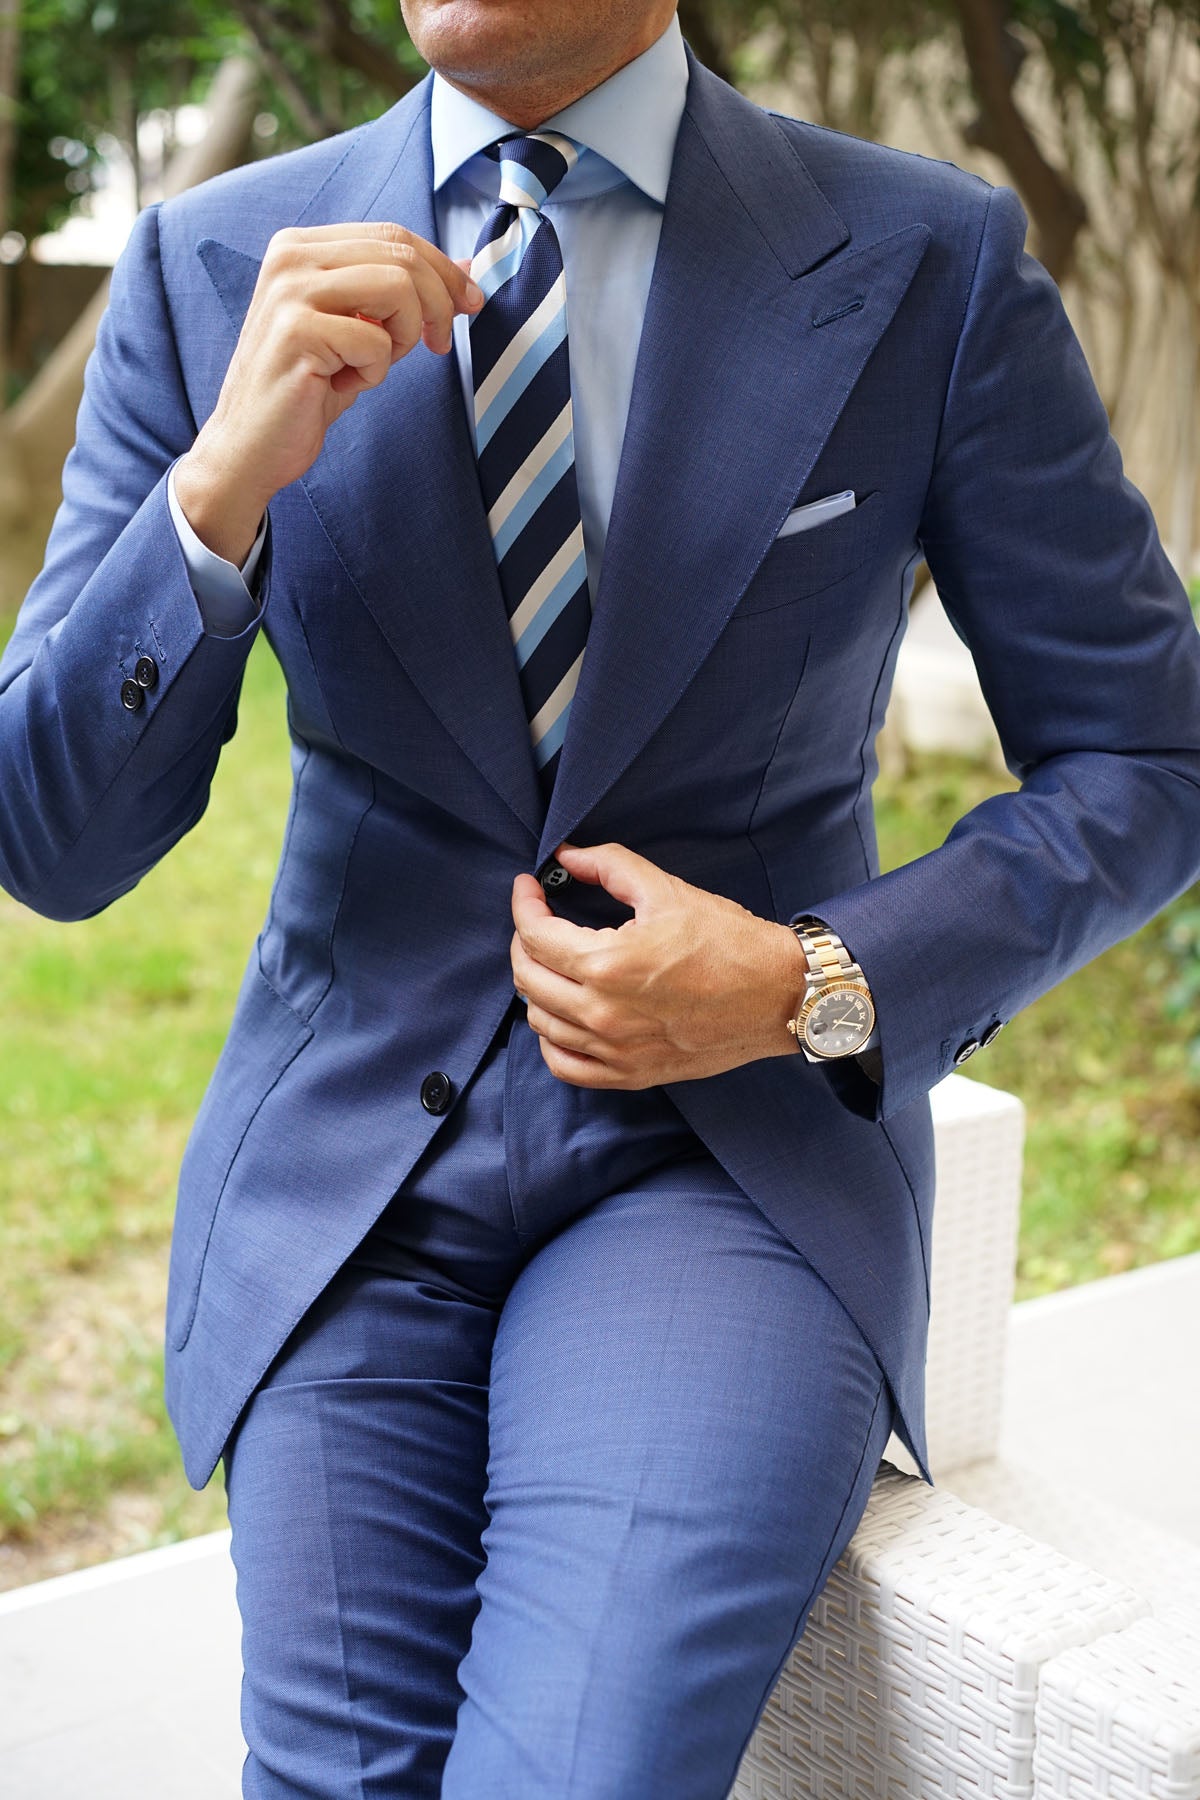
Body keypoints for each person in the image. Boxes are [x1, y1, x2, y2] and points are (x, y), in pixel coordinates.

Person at [3, 0, 1199, 1792]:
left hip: (724, 1164)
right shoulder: (208, 265)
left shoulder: (921, 257)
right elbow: (56, 841)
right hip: (350, 1182)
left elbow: (1151, 762)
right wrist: (215, 497)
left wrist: (812, 975)